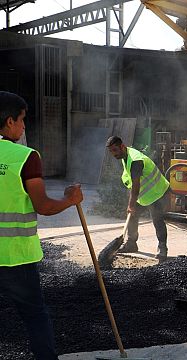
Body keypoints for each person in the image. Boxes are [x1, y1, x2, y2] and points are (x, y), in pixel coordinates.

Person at [0, 91, 83, 359]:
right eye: (23, 120)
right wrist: (71, 200)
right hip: (16, 259)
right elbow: (44, 207)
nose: (24, 127)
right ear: (10, 121)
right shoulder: (25, 157)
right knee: (35, 316)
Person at [106, 136, 170, 260]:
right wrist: (132, 205)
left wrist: (131, 204)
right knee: (132, 216)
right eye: (111, 151)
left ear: (122, 147)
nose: (113, 154)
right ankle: (131, 244)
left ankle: (162, 248)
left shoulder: (135, 160)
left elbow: (136, 185)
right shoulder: (126, 156)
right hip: (144, 194)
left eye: (115, 150)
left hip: (157, 192)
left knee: (157, 220)